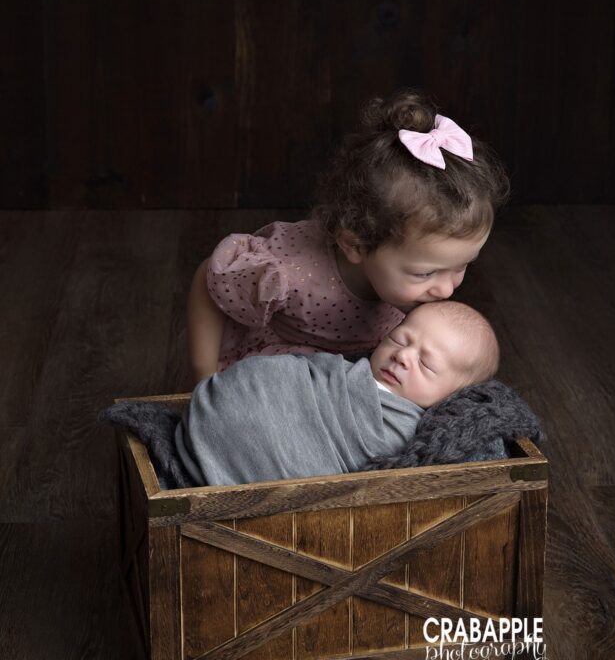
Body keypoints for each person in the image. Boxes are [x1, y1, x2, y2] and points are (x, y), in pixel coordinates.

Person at [186, 88, 509, 384]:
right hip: (280, 373)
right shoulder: (287, 272)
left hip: (364, 371)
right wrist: (204, 373)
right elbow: (208, 281)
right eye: (426, 273)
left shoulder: (414, 279)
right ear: (354, 244)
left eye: (462, 266)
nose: (446, 288)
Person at [176, 300, 500, 487]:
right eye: (400, 340)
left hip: (254, 445)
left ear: (455, 396)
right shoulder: (346, 371)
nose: (403, 356)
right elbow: (301, 371)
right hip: (229, 401)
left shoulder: (406, 429)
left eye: (426, 364)